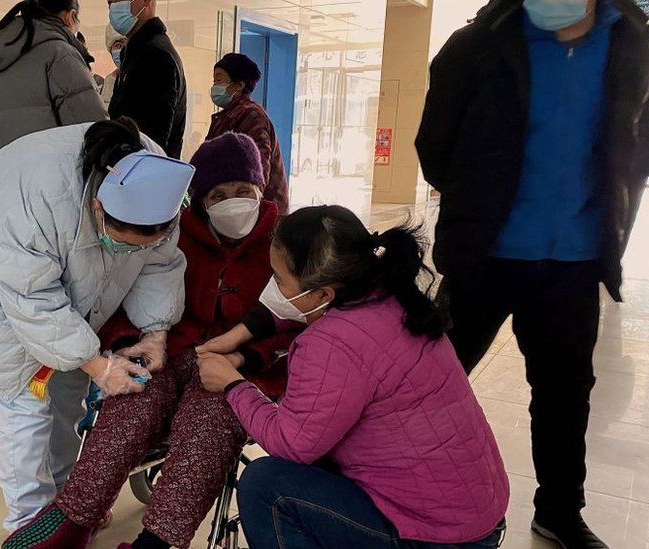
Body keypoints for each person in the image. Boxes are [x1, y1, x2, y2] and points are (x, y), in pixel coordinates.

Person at [415, 1, 649, 546]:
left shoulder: (633, 43)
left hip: (574, 259)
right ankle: (393, 490)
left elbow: (636, 141)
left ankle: (560, 512)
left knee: (566, 396)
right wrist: (482, 200)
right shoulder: (475, 45)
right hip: (485, 255)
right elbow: (435, 147)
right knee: (428, 384)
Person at [2, 133, 297, 549]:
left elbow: (297, 323)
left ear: (260, 189)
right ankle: (75, 517)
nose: (233, 202)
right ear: (199, 200)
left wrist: (248, 358)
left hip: (242, 367)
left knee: (209, 419)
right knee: (132, 400)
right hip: (169, 349)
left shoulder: (283, 244)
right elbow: (123, 292)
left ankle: (158, 541)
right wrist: (127, 344)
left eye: (243, 192)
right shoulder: (169, 231)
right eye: (219, 194)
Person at [197, 206, 510, 548]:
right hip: (473, 511)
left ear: (323, 294)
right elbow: (308, 316)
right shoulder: (391, 295)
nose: (274, 287)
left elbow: (292, 443)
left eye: (280, 279)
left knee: (265, 484)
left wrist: (232, 383)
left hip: (437, 535)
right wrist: (242, 334)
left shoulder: (330, 343)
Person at [0, 118, 195, 534]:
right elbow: (30, 296)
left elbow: (160, 263)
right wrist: (97, 365)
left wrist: (155, 332)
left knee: (68, 397)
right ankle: (30, 526)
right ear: (98, 206)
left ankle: (64, 505)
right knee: (26, 407)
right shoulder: (37, 185)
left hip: (70, 286)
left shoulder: (158, 184)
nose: (135, 250)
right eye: (123, 241)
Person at [0, 0, 107, 159]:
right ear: (71, 17)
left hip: (5, 180)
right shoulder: (60, 54)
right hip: (54, 178)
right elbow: (95, 130)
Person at [206, 53, 290, 213]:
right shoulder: (227, 116)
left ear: (238, 85)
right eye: (214, 81)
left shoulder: (251, 115)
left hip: (260, 213)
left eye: (219, 80)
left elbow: (256, 169)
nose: (214, 86)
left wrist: (243, 211)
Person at [106, 0, 187, 158]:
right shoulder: (134, 53)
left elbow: (151, 141)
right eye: (110, 3)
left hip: (142, 173)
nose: (112, 7)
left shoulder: (155, 55)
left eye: (118, 0)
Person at [101, 25, 126, 106]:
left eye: (128, 45)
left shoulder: (146, 79)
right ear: (110, 50)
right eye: (118, 45)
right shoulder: (108, 81)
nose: (123, 50)